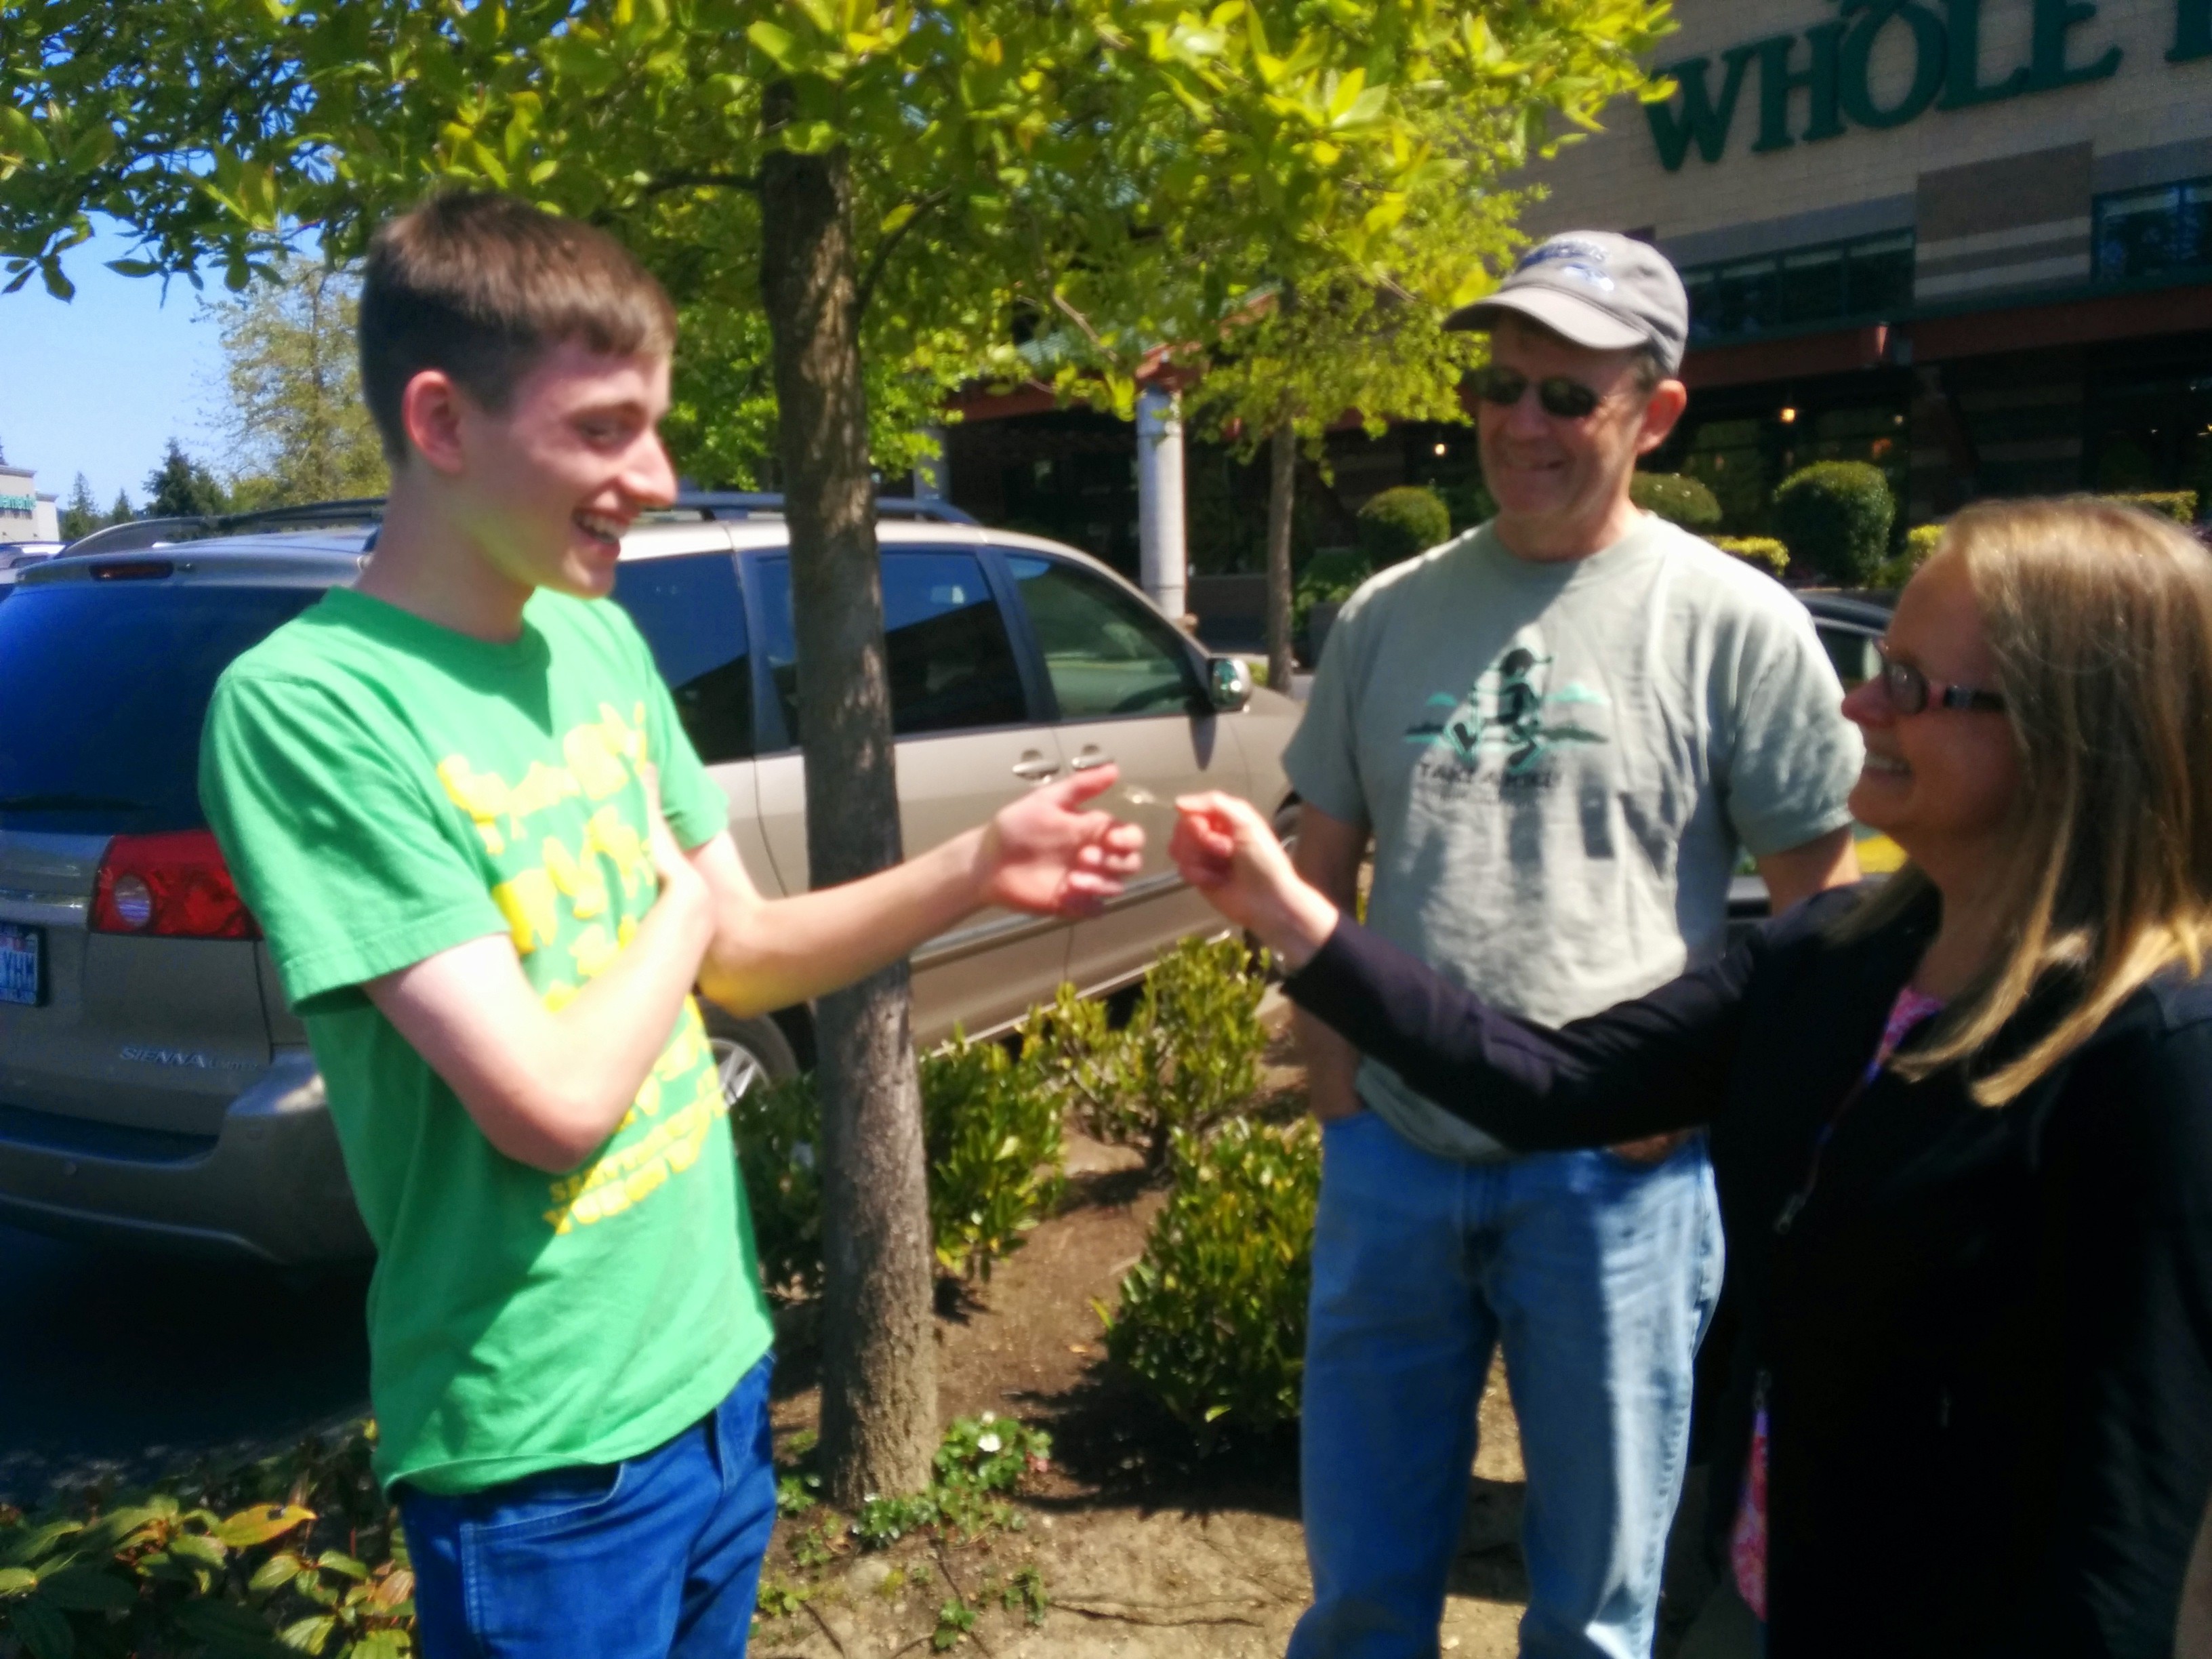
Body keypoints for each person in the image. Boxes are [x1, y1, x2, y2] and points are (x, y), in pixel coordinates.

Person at [197, 192, 1142, 1659]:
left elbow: (745, 954)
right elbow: (552, 1106)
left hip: (714, 1377)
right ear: (441, 422)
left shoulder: (594, 636)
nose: (657, 474)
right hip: (543, 1451)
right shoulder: (311, 709)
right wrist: (682, 906)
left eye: (659, 425)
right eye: (606, 428)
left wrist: (975, 869)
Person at [1172, 497, 2212, 1658]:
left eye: (1912, 686)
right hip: (1766, 1593)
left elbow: (2122, 1528)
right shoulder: (1833, 957)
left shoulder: (2152, 1057)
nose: (1856, 705)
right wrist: (1290, 918)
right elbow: (1551, 1084)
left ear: (2074, 738)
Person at [1279, 230, 1864, 1658]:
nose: (1517, 423)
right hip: (1398, 1161)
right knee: (1360, 1589)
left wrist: (1702, 1107)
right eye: (1497, 386)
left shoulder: (1737, 624)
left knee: (1598, 1609)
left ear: (1656, 415)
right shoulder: (1385, 615)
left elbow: (1822, 913)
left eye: (1565, 395)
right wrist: (1342, 1105)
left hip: (1618, 1187)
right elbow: (1322, 868)